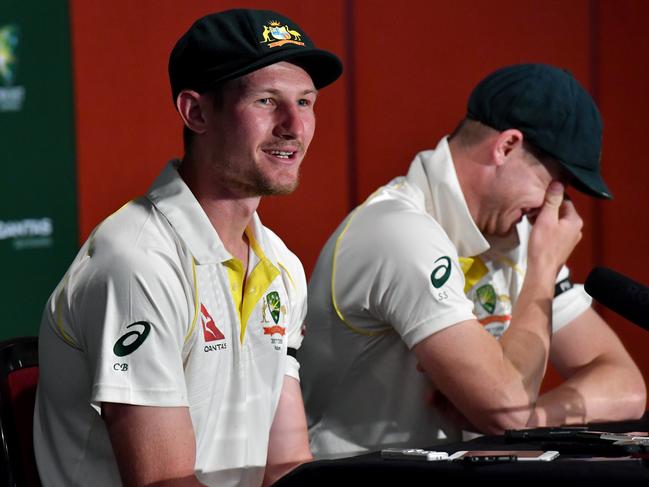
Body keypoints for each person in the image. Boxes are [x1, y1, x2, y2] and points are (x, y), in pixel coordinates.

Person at [33, 8, 342, 486]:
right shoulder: (138, 261)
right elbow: (164, 482)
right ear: (196, 112)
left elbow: (287, 464)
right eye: (266, 101)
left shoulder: (280, 264)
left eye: (305, 102)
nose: (294, 127)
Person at [300, 64, 646, 458]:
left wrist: (535, 419)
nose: (557, 204)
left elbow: (625, 384)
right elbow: (506, 410)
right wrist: (544, 269)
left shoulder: (517, 238)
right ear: (507, 146)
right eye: (557, 181)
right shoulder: (399, 231)